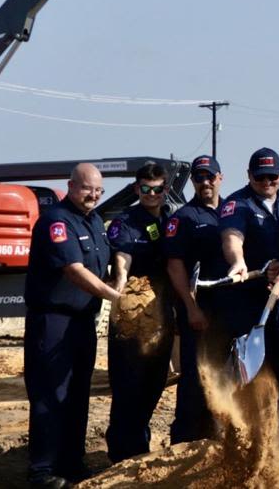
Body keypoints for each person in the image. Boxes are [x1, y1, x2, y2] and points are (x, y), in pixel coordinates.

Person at [24, 163, 117, 488]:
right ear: (71, 185)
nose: (92, 195)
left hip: (82, 323)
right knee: (51, 394)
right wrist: (114, 296)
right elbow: (75, 270)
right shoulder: (55, 221)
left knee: (78, 394)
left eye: (98, 190)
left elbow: (105, 262)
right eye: (86, 188)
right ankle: (43, 470)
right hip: (53, 321)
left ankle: (71, 464)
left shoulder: (94, 222)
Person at [220, 147, 279, 444]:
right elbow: (233, 237)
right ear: (249, 176)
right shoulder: (237, 203)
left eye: (272, 177)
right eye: (260, 177)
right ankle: (246, 434)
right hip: (247, 301)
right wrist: (238, 262)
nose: (267, 182)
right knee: (248, 368)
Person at [105, 162, 174, 463]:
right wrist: (119, 292)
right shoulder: (126, 221)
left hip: (162, 314)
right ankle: (123, 454)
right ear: (137, 189)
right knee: (128, 386)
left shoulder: (171, 218)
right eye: (145, 189)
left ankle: (139, 445)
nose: (151, 194)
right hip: (133, 316)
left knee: (155, 381)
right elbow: (122, 259)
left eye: (157, 189)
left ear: (165, 189)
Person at [164, 155, 225, 444]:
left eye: (210, 176)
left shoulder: (232, 210)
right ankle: (184, 443)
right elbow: (175, 267)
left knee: (223, 377)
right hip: (199, 312)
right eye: (199, 178)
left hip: (229, 312)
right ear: (192, 182)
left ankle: (216, 440)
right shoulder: (183, 218)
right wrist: (191, 308)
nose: (205, 183)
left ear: (220, 178)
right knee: (193, 380)